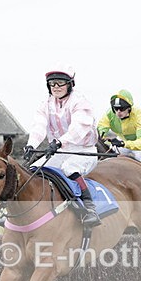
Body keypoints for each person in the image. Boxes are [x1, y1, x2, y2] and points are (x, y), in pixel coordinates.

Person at [22, 65, 101, 227]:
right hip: (60, 150)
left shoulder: (80, 102)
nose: (56, 87)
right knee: (33, 171)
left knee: (69, 168)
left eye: (60, 83)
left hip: (83, 151)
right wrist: (31, 145)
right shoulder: (46, 104)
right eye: (52, 84)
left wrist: (59, 142)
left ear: (70, 84)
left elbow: (78, 128)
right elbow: (39, 126)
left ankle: (90, 209)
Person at [96, 89, 141, 178]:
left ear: (129, 107)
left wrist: (123, 143)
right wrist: (102, 135)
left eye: (122, 109)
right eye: (116, 109)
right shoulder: (110, 113)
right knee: (109, 155)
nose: (118, 112)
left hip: (138, 140)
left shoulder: (139, 115)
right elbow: (102, 126)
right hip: (122, 139)